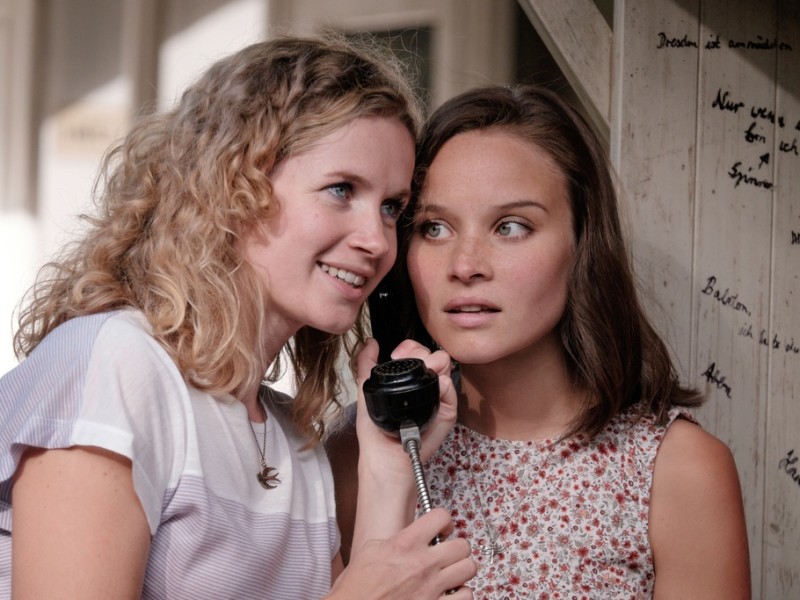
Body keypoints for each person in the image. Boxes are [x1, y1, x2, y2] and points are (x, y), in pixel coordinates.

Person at [0, 36, 475, 599]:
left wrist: (387, 467)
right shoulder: (114, 364)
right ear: (233, 188)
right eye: (341, 190)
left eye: (391, 208)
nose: (377, 241)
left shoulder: (289, 437)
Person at [329, 84, 750, 599]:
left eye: (510, 227)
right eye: (434, 228)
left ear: (583, 245)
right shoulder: (361, 451)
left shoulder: (678, 470)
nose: (465, 266)